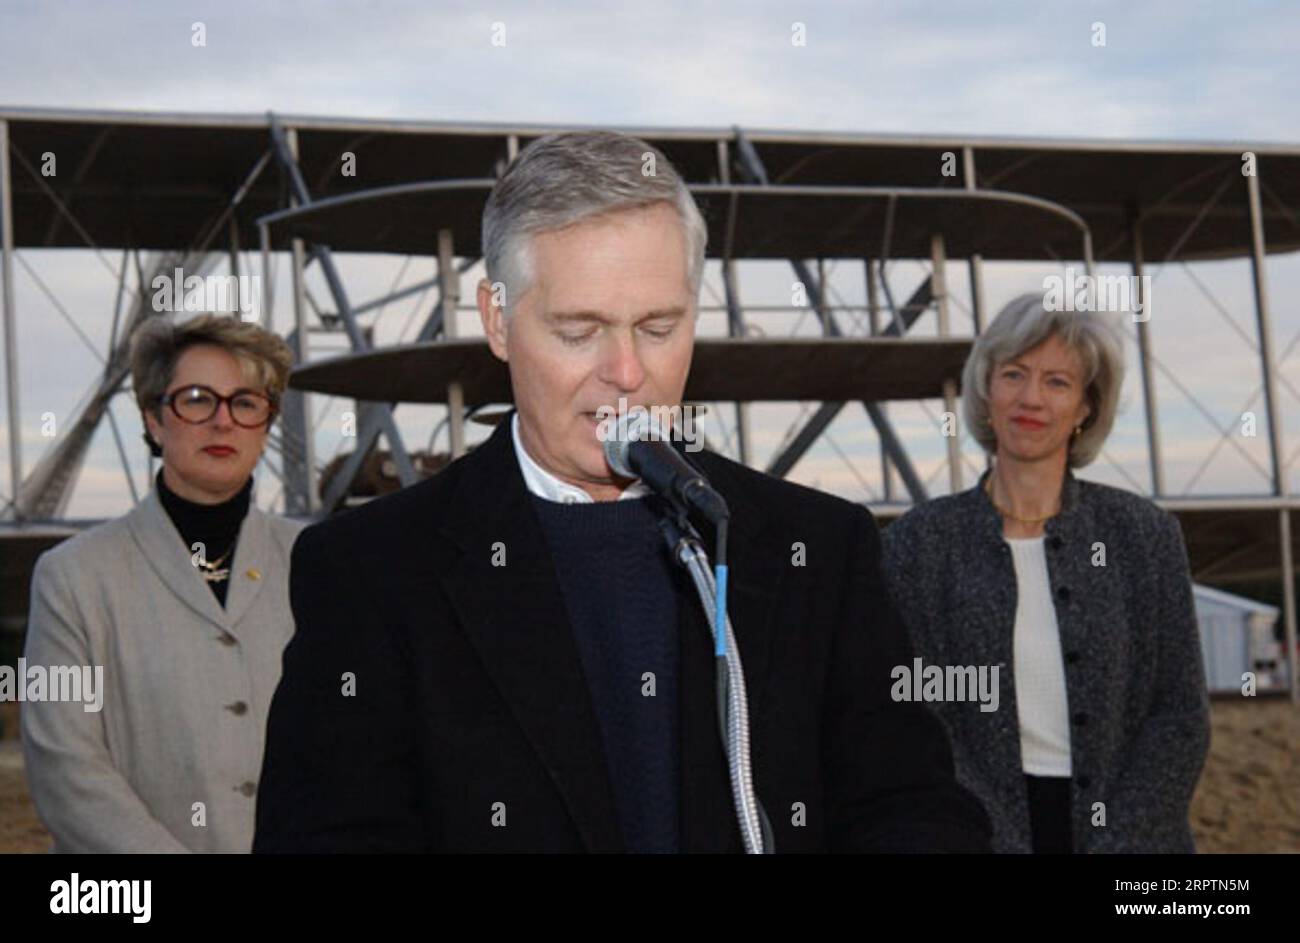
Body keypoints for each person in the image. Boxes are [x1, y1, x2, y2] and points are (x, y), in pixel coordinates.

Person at [253, 130, 990, 853]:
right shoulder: (369, 571)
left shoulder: (821, 548)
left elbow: (911, 805)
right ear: (497, 320)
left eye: (659, 326)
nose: (628, 372)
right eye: (580, 330)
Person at [882, 293, 1211, 853]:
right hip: (971, 833)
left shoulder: (1143, 536)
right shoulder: (919, 543)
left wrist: (1118, 842)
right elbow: (919, 715)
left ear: (1086, 407)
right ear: (986, 389)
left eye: (1058, 382)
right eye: (1014, 374)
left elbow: (1178, 714)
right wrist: (996, 839)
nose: (1030, 398)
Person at [21, 313, 303, 852]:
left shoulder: (318, 564)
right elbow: (66, 771)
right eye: (197, 399)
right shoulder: (71, 577)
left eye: (245, 403)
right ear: (153, 419)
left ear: (266, 425)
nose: (223, 422)